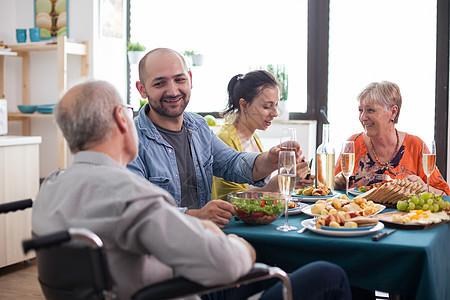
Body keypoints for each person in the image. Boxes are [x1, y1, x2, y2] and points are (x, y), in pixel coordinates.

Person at [32, 80, 352, 300]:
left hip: (158, 279)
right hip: (172, 289)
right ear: (121, 118)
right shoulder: (133, 194)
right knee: (328, 274)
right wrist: (243, 247)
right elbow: (227, 264)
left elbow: (233, 164)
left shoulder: (49, 189)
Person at [127, 48, 304, 228]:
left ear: (190, 79)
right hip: (164, 250)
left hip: (206, 239)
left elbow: (233, 163)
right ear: (142, 89)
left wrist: (270, 159)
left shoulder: (198, 126)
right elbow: (138, 211)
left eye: (179, 80)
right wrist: (197, 216)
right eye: (159, 84)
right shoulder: (129, 141)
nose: (173, 91)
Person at [212, 70, 314, 200]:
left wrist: (292, 182)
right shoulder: (225, 139)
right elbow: (234, 199)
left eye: (276, 105)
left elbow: (257, 190)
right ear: (244, 105)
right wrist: (280, 180)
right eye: (267, 106)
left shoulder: (254, 138)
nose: (275, 113)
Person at [335, 81, 449, 195]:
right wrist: (337, 184)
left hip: (403, 213)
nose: (362, 117)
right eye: (360, 110)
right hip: (361, 212)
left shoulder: (416, 146)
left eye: (370, 110)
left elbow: (445, 194)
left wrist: (425, 188)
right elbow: (329, 191)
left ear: (393, 112)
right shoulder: (352, 144)